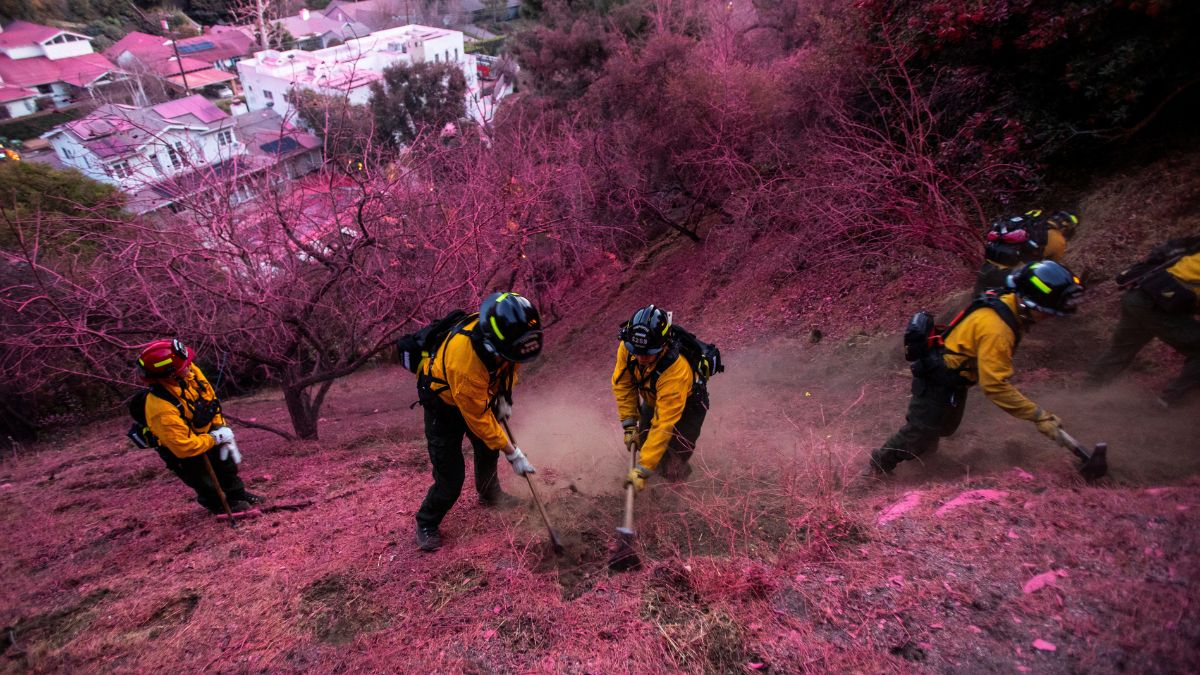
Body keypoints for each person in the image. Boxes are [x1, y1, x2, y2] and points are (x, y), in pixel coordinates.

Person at [867, 261, 1085, 475]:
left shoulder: (1008, 300)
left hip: (954, 377)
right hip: (939, 376)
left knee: (943, 427)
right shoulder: (997, 330)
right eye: (1048, 313)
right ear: (1030, 304)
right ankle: (879, 466)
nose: (1049, 318)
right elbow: (994, 386)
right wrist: (1038, 416)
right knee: (919, 432)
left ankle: (923, 459)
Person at [413, 292, 542, 552]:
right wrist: (514, 454)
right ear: (494, 342)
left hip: (478, 395)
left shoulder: (508, 339)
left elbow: (511, 365)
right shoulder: (466, 362)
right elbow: (480, 419)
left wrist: (505, 398)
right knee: (451, 478)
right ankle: (426, 520)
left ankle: (489, 493)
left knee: (487, 449)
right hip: (444, 406)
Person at [138, 339, 260, 514]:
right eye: (184, 366)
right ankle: (218, 505)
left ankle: (237, 494)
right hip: (182, 446)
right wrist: (215, 438)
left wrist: (218, 426)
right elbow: (184, 447)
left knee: (225, 465)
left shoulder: (188, 370)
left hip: (203, 429)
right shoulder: (161, 409)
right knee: (203, 477)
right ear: (169, 374)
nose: (190, 367)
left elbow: (209, 396)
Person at [1087, 235, 1200, 408]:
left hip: (1139, 295)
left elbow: (1169, 248)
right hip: (1160, 307)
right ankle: (1169, 403)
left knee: (1121, 350)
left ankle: (1087, 392)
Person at [613, 305, 710, 491]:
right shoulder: (628, 347)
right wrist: (629, 426)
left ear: (663, 345)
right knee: (643, 440)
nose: (640, 358)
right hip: (654, 398)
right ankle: (653, 479)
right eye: (637, 351)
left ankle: (675, 494)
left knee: (674, 460)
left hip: (689, 407)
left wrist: (642, 470)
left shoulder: (676, 370)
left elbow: (663, 424)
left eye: (647, 353)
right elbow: (623, 385)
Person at [975, 210, 1078, 294]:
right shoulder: (1059, 241)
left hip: (988, 265)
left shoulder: (1031, 221)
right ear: (1066, 228)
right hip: (1009, 275)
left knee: (976, 306)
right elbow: (1053, 267)